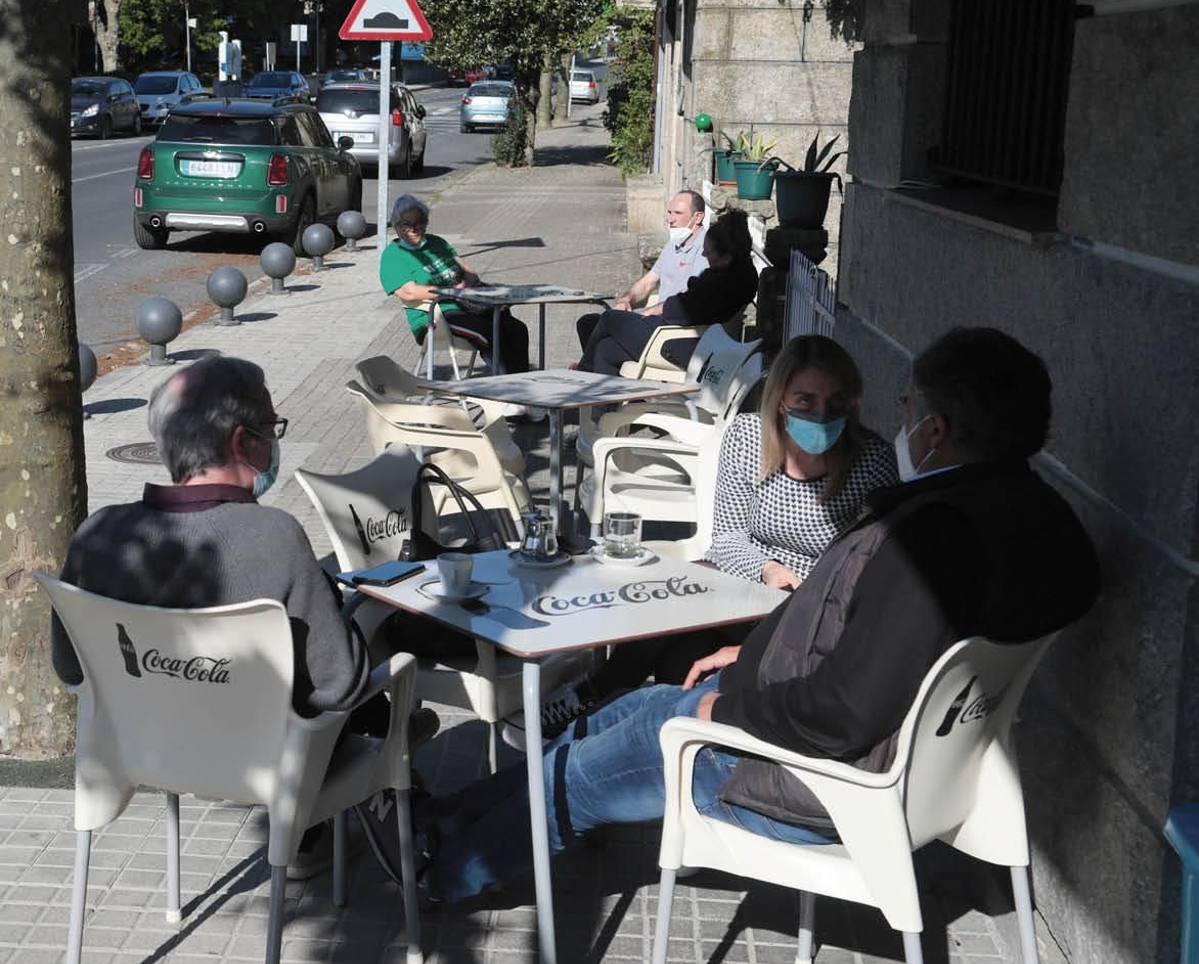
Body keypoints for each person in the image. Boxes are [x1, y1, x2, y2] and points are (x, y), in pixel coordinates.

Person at [418, 326, 1100, 903]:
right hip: (856, 742)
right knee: (629, 708)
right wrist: (751, 655)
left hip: (813, 777)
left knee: (594, 770)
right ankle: (448, 819)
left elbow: (842, 713)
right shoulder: (1044, 518)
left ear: (935, 431)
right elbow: (873, 645)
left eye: (908, 406)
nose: (899, 420)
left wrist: (729, 710)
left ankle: (439, 874)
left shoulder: (933, 543)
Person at [49, 356, 374, 876]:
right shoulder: (275, 536)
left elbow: (70, 669)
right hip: (264, 763)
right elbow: (337, 686)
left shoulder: (98, 535)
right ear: (243, 442)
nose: (275, 441)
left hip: (144, 753)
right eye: (271, 427)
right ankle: (383, 838)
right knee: (378, 677)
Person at [570, 334, 899, 708]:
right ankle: (611, 707)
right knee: (679, 623)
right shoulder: (747, 438)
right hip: (746, 582)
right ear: (780, 400)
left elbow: (872, 564)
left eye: (835, 401)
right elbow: (727, 538)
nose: (821, 414)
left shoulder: (871, 461)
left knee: (684, 648)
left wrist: (803, 588)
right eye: (806, 400)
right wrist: (766, 569)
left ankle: (593, 698)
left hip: (810, 607)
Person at [575, 208, 758, 376]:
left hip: (678, 343)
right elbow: (686, 302)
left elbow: (680, 312)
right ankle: (602, 399)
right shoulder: (738, 272)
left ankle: (582, 373)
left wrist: (650, 312)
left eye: (708, 253)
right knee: (605, 349)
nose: (704, 256)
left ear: (726, 258)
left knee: (609, 319)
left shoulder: (723, 282)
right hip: (682, 338)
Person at [379, 194, 533, 376]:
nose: (413, 229)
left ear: (426, 223)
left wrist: (466, 284)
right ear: (396, 226)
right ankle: (506, 385)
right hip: (436, 316)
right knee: (489, 334)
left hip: (468, 305)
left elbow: (469, 272)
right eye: (406, 224)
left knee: (517, 329)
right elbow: (409, 293)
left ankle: (522, 381)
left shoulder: (437, 243)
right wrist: (452, 291)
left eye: (419, 223)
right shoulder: (393, 256)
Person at [575, 190, 707, 350]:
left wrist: (648, 312)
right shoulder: (673, 245)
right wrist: (626, 300)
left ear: (698, 217)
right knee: (587, 323)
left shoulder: (705, 249)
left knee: (608, 328)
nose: (670, 219)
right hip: (655, 319)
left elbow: (687, 296)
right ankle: (590, 364)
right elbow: (647, 283)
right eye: (669, 212)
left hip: (673, 326)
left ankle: (587, 364)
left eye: (678, 213)